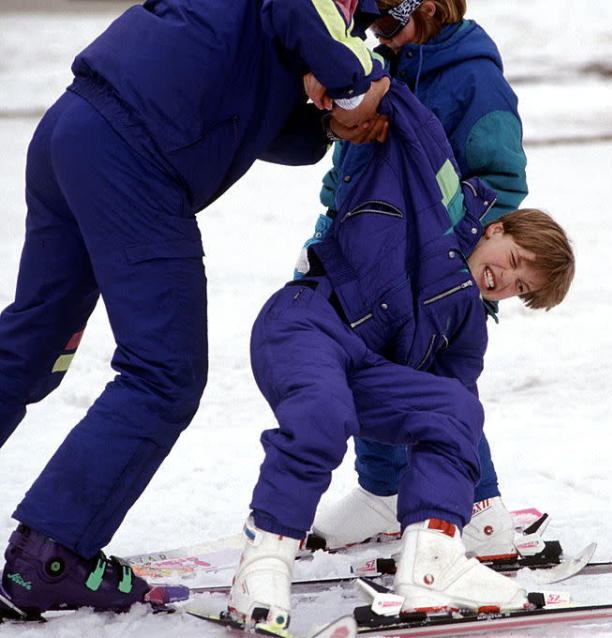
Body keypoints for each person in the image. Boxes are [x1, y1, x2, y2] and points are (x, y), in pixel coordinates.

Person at [0, 0, 391, 618]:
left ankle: (49, 551)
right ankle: (51, 557)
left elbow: (271, 126)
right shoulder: (320, 15)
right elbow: (317, 28)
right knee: (164, 373)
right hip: (135, 158)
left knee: (32, 342)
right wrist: (362, 82)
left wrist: (324, 112)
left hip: (75, 126)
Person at [229, 82, 574, 631]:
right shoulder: (434, 196)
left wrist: (483, 508)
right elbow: (394, 100)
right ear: (496, 226)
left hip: (360, 369)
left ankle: (431, 565)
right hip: (307, 321)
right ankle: (265, 561)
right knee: (321, 414)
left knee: (455, 410)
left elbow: (459, 418)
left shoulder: (464, 323)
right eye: (513, 261)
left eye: (517, 287)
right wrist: (362, 55)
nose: (503, 279)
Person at [306, 0, 531, 560]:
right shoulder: (391, 68)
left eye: (389, 24)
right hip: (366, 256)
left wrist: (448, 252)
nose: (384, 37)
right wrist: (326, 234)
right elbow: (350, 166)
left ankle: (480, 508)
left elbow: (503, 180)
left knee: (438, 388)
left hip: (434, 270)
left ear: (428, 7)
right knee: (365, 367)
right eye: (373, 26)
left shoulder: (475, 78)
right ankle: (382, 490)